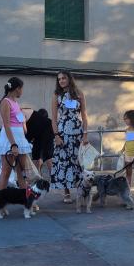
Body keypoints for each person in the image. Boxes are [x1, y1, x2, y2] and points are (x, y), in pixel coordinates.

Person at [51, 71, 89, 203]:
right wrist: (56, 135)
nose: (61, 81)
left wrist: (85, 134)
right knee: (64, 162)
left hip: (77, 132)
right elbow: (54, 118)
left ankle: (81, 190)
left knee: (78, 162)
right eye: (59, 79)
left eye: (63, 78)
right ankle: (66, 192)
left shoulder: (79, 93)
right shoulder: (57, 95)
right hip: (62, 133)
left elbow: (84, 115)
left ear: (69, 79)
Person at [0, 77, 34, 190]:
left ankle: (25, 199)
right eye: (22, 89)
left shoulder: (15, 103)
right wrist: (13, 145)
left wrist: (24, 122)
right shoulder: (5, 102)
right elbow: (6, 125)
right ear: (17, 89)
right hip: (9, 140)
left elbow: (23, 126)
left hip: (20, 138)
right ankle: (1, 202)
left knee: (21, 171)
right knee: (6, 172)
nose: (22, 91)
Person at [23, 108, 55, 174]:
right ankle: (53, 177)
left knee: (39, 155)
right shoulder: (47, 122)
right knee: (47, 155)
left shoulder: (30, 121)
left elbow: (28, 136)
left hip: (44, 135)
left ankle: (37, 176)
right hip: (49, 134)